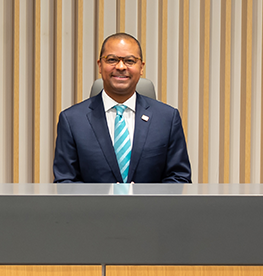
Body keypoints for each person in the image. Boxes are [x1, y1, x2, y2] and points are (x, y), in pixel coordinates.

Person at [53, 32, 191, 183]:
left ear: (141, 67)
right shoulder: (72, 120)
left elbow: (179, 179)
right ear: (100, 65)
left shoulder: (167, 119)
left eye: (129, 61)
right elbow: (65, 182)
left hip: (151, 207)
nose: (120, 66)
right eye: (111, 60)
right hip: (93, 207)